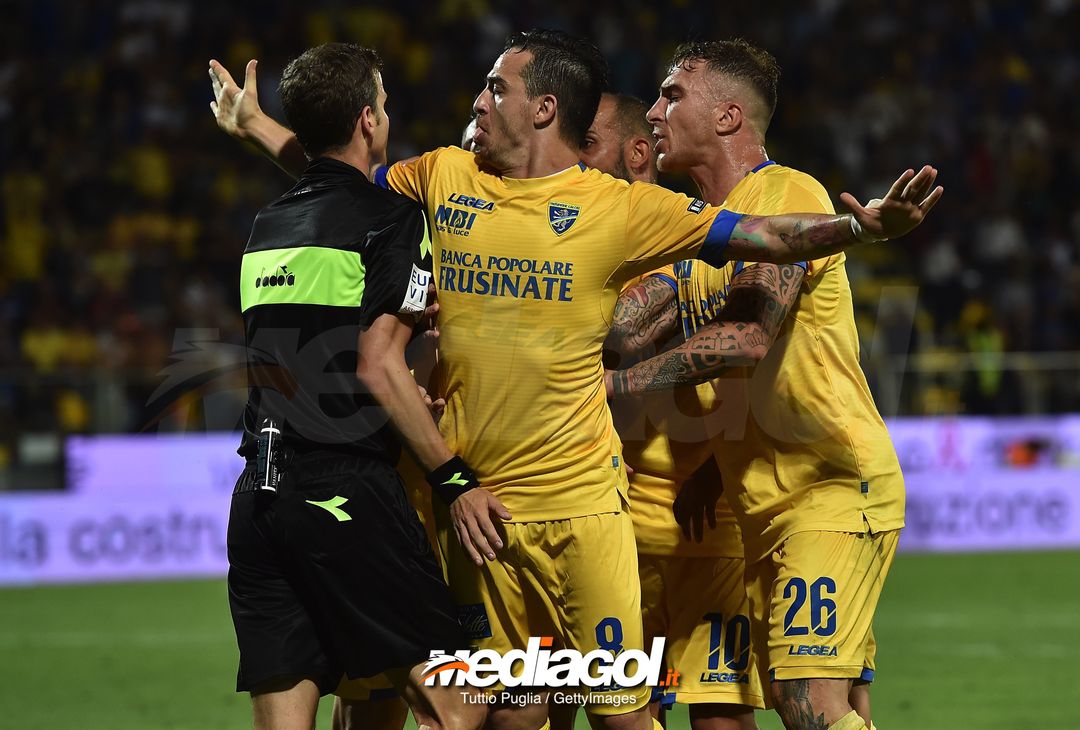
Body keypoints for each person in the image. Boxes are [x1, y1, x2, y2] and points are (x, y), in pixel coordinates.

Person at [210, 29, 940, 730]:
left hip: (592, 510)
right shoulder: (441, 177)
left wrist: (860, 229)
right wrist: (259, 127)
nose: (477, 100)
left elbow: (766, 240)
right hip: (482, 515)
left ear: (543, 107)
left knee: (630, 711)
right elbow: (341, 186)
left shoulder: (620, 209)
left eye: (496, 87)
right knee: (504, 709)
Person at [606, 40, 914, 730]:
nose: (653, 112)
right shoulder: (706, 233)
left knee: (810, 702)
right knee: (792, 702)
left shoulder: (784, 195)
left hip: (829, 487)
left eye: (671, 95)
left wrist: (612, 386)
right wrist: (717, 469)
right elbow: (750, 377)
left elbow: (747, 337)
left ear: (727, 117)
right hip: (763, 507)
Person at [223, 42, 485, 730]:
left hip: (257, 500)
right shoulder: (392, 219)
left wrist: (255, 126)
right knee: (456, 708)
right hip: (343, 488)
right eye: (385, 103)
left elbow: (320, 333)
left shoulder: (266, 224)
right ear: (369, 121)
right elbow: (376, 365)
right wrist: (453, 478)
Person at [588, 91, 765, 730]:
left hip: (705, 524)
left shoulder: (698, 237)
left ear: (637, 153)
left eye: (587, 143)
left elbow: (751, 361)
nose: (570, 158)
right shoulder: (576, 240)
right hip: (604, 525)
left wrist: (718, 472)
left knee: (719, 717)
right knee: (611, 716)